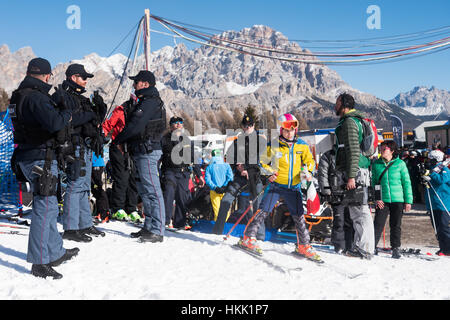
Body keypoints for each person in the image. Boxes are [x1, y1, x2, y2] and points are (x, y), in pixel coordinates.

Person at [10, 58, 79, 279]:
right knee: (44, 206)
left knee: (48, 207)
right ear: (47, 76)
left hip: (28, 155)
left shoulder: (18, 95)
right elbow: (55, 123)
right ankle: (39, 261)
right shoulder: (36, 98)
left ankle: (55, 252)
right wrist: (65, 110)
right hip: (40, 157)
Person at [237, 113, 321, 261]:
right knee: (264, 211)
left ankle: (304, 245)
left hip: (294, 186)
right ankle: (248, 238)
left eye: (293, 130)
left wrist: (308, 171)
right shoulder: (273, 145)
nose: (290, 133)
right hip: (276, 185)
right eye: (287, 130)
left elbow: (310, 162)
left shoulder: (301, 145)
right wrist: (269, 173)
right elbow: (262, 163)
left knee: (299, 215)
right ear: (281, 130)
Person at [52, 63, 107, 242]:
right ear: (74, 77)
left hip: (87, 147)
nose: (85, 82)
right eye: (83, 78)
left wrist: (100, 109)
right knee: (75, 186)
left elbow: (95, 121)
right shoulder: (62, 96)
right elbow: (68, 120)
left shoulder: (81, 98)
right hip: (74, 146)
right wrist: (89, 116)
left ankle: (84, 223)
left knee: (84, 187)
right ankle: (70, 227)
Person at [113, 70, 166, 243]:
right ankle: (149, 226)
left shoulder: (150, 102)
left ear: (145, 84)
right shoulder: (143, 101)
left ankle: (157, 229)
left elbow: (135, 125)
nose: (134, 85)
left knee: (152, 190)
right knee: (144, 191)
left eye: (136, 82)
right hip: (140, 150)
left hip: (148, 151)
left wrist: (118, 140)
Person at [211, 114, 267, 239]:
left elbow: (261, 159)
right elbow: (230, 158)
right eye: (245, 125)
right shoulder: (237, 141)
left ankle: (260, 236)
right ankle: (217, 231)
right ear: (242, 126)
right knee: (226, 201)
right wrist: (238, 167)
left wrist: (247, 168)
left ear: (253, 126)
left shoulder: (260, 141)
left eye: (250, 125)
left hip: (254, 177)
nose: (248, 127)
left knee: (258, 207)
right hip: (239, 178)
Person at [334, 93, 374, 259]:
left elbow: (353, 151)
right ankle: (361, 247)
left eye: (337, 103)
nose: (334, 106)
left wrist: (351, 177)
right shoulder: (353, 121)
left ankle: (365, 249)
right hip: (357, 171)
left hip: (355, 172)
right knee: (356, 210)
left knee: (360, 211)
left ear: (344, 104)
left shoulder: (350, 122)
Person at [160, 116, 204, 229]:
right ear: (170, 127)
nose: (178, 125)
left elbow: (194, 159)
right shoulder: (164, 139)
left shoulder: (187, 140)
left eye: (180, 122)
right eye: (175, 123)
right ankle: (165, 221)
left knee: (182, 197)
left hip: (183, 173)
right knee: (168, 193)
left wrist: (199, 175)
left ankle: (180, 224)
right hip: (169, 171)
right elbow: (158, 157)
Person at [372, 140, 413, 258]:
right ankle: (372, 246)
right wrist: (377, 198)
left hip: (398, 199)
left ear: (392, 151)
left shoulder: (400, 164)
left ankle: (395, 248)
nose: (381, 151)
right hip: (383, 200)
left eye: (384, 149)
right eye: (381, 148)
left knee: (396, 224)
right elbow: (375, 183)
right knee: (378, 224)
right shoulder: (376, 164)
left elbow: (406, 183)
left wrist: (408, 201)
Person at [102, 95, 139, 222]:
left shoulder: (143, 111)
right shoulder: (121, 110)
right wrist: (102, 136)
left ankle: (132, 208)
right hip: (118, 147)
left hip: (133, 148)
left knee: (133, 178)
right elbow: (108, 125)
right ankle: (118, 208)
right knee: (122, 177)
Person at [317, 147, 354, 254]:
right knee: (339, 220)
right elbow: (322, 174)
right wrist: (326, 190)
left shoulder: (353, 154)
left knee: (350, 220)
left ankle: (350, 244)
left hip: (351, 192)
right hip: (335, 193)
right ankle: (339, 245)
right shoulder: (328, 155)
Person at [423, 149, 450, 256]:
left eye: (430, 158)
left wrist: (431, 175)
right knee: (437, 227)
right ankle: (443, 248)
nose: (428, 160)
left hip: (443, 202)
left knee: (443, 227)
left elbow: (441, 180)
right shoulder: (432, 168)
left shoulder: (443, 169)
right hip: (433, 203)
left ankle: (448, 249)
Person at [205, 149, 234, 221]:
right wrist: (224, 186)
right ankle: (225, 226)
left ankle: (217, 227)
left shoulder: (209, 167)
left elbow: (208, 180)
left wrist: (215, 187)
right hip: (225, 191)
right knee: (226, 210)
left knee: (217, 210)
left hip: (214, 191)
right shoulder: (226, 166)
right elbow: (230, 178)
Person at [91, 152, 111, 223]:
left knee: (99, 190)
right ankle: (100, 212)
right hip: (92, 163)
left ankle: (104, 214)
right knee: (95, 190)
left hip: (97, 163)